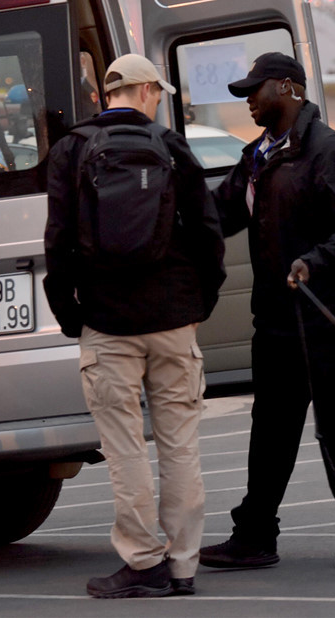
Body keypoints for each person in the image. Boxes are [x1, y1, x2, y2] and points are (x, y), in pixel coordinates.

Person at [43, 53, 226, 598]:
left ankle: (143, 562)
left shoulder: (71, 151)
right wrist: (200, 301)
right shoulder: (171, 147)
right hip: (173, 320)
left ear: (107, 95)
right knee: (180, 446)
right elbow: (207, 233)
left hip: (107, 321)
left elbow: (57, 246)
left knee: (125, 450)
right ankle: (184, 565)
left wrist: (72, 316)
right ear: (146, 91)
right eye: (158, 93)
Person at [201, 52, 335, 570]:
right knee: (272, 429)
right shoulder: (259, 156)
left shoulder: (328, 152)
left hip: (329, 319)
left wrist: (315, 260)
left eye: (254, 92)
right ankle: (256, 537)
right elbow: (220, 213)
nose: (248, 104)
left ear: (288, 88)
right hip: (279, 321)